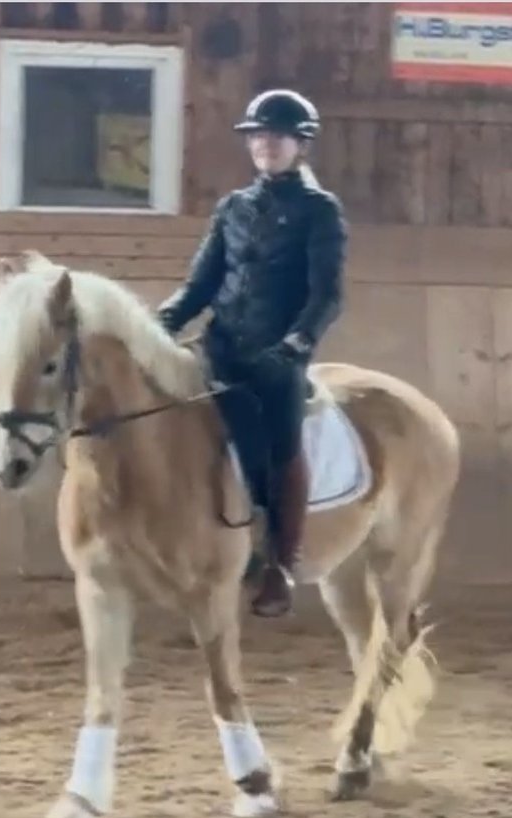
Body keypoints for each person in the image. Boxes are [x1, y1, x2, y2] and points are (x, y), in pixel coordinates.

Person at [156, 88, 348, 618]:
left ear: (300, 145)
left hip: (277, 357)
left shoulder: (319, 211)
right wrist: (159, 324)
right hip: (220, 348)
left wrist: (296, 343)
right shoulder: (233, 208)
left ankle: (280, 564)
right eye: (259, 136)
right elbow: (200, 285)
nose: (266, 144)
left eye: (278, 136)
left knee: (280, 446)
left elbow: (327, 295)